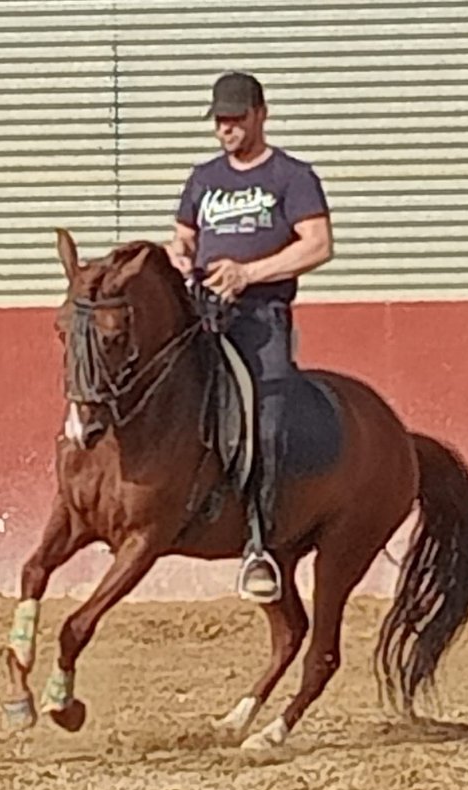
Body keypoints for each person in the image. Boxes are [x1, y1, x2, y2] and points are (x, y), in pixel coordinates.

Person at [166, 71, 334, 603]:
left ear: (261, 114)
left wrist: (248, 274)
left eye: (237, 118)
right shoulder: (204, 177)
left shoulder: (292, 176)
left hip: (261, 316)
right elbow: (183, 237)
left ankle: (260, 542)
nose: (227, 129)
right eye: (220, 120)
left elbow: (318, 245)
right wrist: (181, 258)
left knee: (268, 419)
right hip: (203, 311)